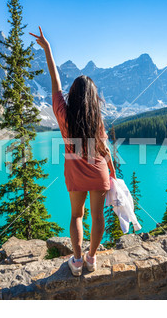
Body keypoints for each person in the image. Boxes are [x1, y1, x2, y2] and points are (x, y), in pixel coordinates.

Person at [30, 27, 116, 276]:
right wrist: (112, 173)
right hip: (99, 172)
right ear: (92, 98)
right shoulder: (96, 121)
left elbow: (55, 84)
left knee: (76, 215)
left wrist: (48, 51)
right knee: (97, 217)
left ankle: (76, 262)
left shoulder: (63, 114)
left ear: (74, 95)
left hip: (75, 174)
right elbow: (106, 150)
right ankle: (92, 258)